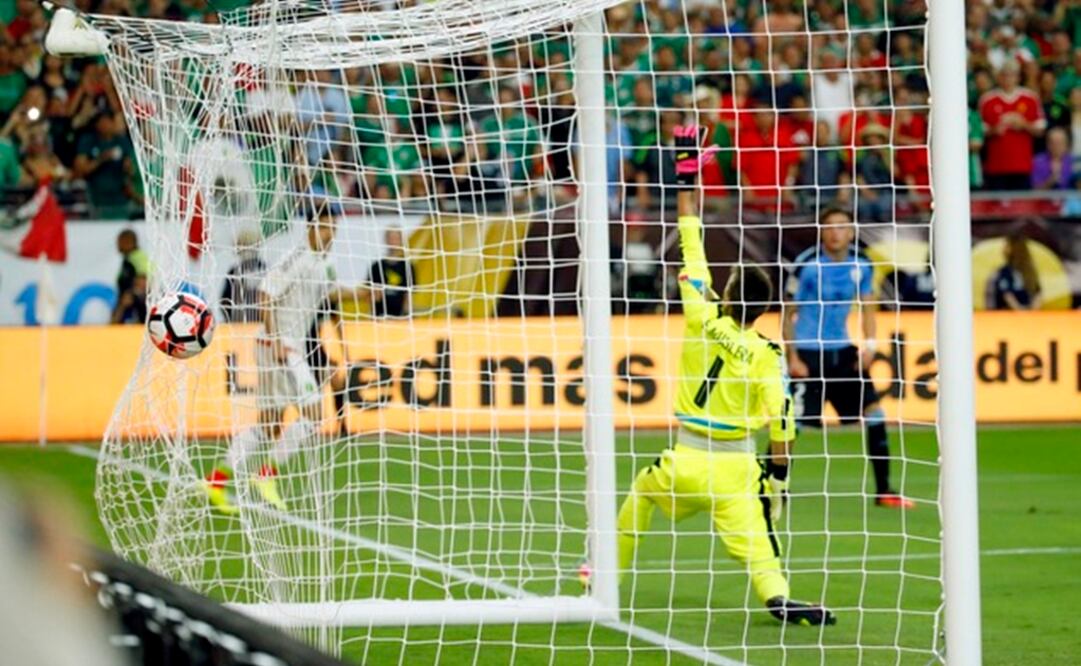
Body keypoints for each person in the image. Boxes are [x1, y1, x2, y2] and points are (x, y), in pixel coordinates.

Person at [596, 124, 836, 627]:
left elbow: (691, 237)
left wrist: (688, 173)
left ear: (726, 294)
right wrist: (780, 478)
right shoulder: (768, 354)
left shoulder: (700, 313)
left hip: (685, 458)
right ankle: (777, 597)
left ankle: (601, 575)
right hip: (734, 470)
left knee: (639, 494)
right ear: (766, 309)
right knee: (760, 541)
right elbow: (782, 424)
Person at [205, 202, 346, 514]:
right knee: (313, 413)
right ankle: (265, 476)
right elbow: (265, 295)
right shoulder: (296, 258)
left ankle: (217, 480)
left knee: (269, 425)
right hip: (278, 348)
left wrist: (365, 293)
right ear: (310, 227)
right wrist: (276, 339)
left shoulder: (325, 264)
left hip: (287, 349)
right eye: (324, 227)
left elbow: (333, 296)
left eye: (333, 229)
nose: (329, 235)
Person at [784, 208, 914, 510]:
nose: (835, 232)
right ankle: (773, 488)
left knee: (875, 413)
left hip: (843, 351)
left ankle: (884, 491)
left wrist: (869, 345)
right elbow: (787, 313)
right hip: (808, 351)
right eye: (829, 227)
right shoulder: (807, 264)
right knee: (790, 423)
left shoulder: (862, 263)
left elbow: (869, 308)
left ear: (852, 232)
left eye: (842, 227)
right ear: (821, 232)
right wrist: (792, 355)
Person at [219, 228, 267, 324]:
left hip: (242, 326)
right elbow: (225, 301)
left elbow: (224, 301)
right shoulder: (266, 269)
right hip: (254, 325)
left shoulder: (234, 272)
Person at [367, 227, 413, 318]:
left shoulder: (407, 267)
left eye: (396, 238)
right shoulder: (376, 266)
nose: (393, 241)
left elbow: (408, 295)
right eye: (391, 238)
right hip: (379, 316)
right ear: (386, 240)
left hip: (400, 316)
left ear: (401, 241)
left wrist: (406, 315)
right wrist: (372, 316)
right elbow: (372, 293)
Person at [989, 234, 1041, 310]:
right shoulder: (1005, 271)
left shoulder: (1029, 270)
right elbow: (1006, 294)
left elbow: (1037, 292)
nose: (1003, 249)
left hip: (1024, 313)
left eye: (1006, 246)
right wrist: (1019, 310)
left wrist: (1032, 311)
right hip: (1008, 314)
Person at [111, 229, 148, 324]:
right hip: (127, 299)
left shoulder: (138, 257)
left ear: (129, 242)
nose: (117, 244)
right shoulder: (128, 258)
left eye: (120, 241)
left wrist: (130, 295)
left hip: (136, 303)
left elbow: (143, 279)